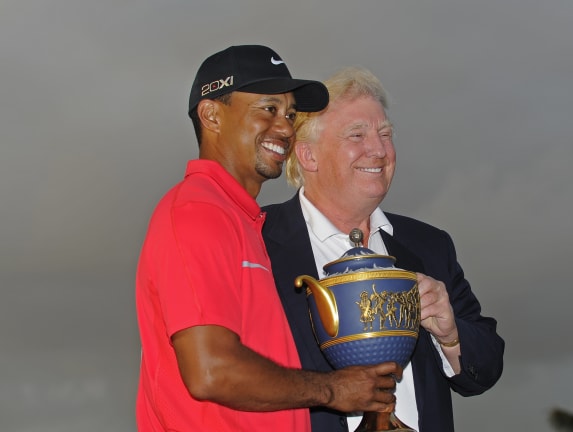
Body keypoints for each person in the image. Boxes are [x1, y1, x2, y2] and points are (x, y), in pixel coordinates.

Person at [135, 46, 403, 432]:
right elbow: (211, 371)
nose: (286, 128)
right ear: (211, 115)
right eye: (268, 109)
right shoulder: (197, 211)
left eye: (290, 115)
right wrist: (332, 390)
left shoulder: (244, 222)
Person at [262, 67, 505, 432]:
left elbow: (486, 369)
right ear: (308, 156)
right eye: (357, 135)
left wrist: (451, 335)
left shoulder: (429, 245)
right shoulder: (256, 240)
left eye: (386, 134)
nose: (379, 150)